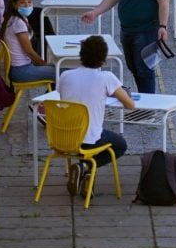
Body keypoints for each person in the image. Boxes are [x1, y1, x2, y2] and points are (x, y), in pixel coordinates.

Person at [57, 35, 135, 198]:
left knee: (97, 133)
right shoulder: (106, 77)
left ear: (81, 55)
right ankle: (85, 167)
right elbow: (129, 104)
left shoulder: (65, 76)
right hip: (87, 140)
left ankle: (85, 175)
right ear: (103, 59)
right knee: (120, 144)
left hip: (63, 138)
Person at [0, 0, 55, 83]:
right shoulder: (18, 23)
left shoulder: (13, 18)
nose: (27, 5)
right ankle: (50, 96)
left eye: (29, 2)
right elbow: (29, 52)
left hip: (19, 68)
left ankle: (50, 95)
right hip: (22, 71)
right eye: (22, 2)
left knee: (58, 69)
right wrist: (43, 64)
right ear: (15, 5)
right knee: (63, 72)